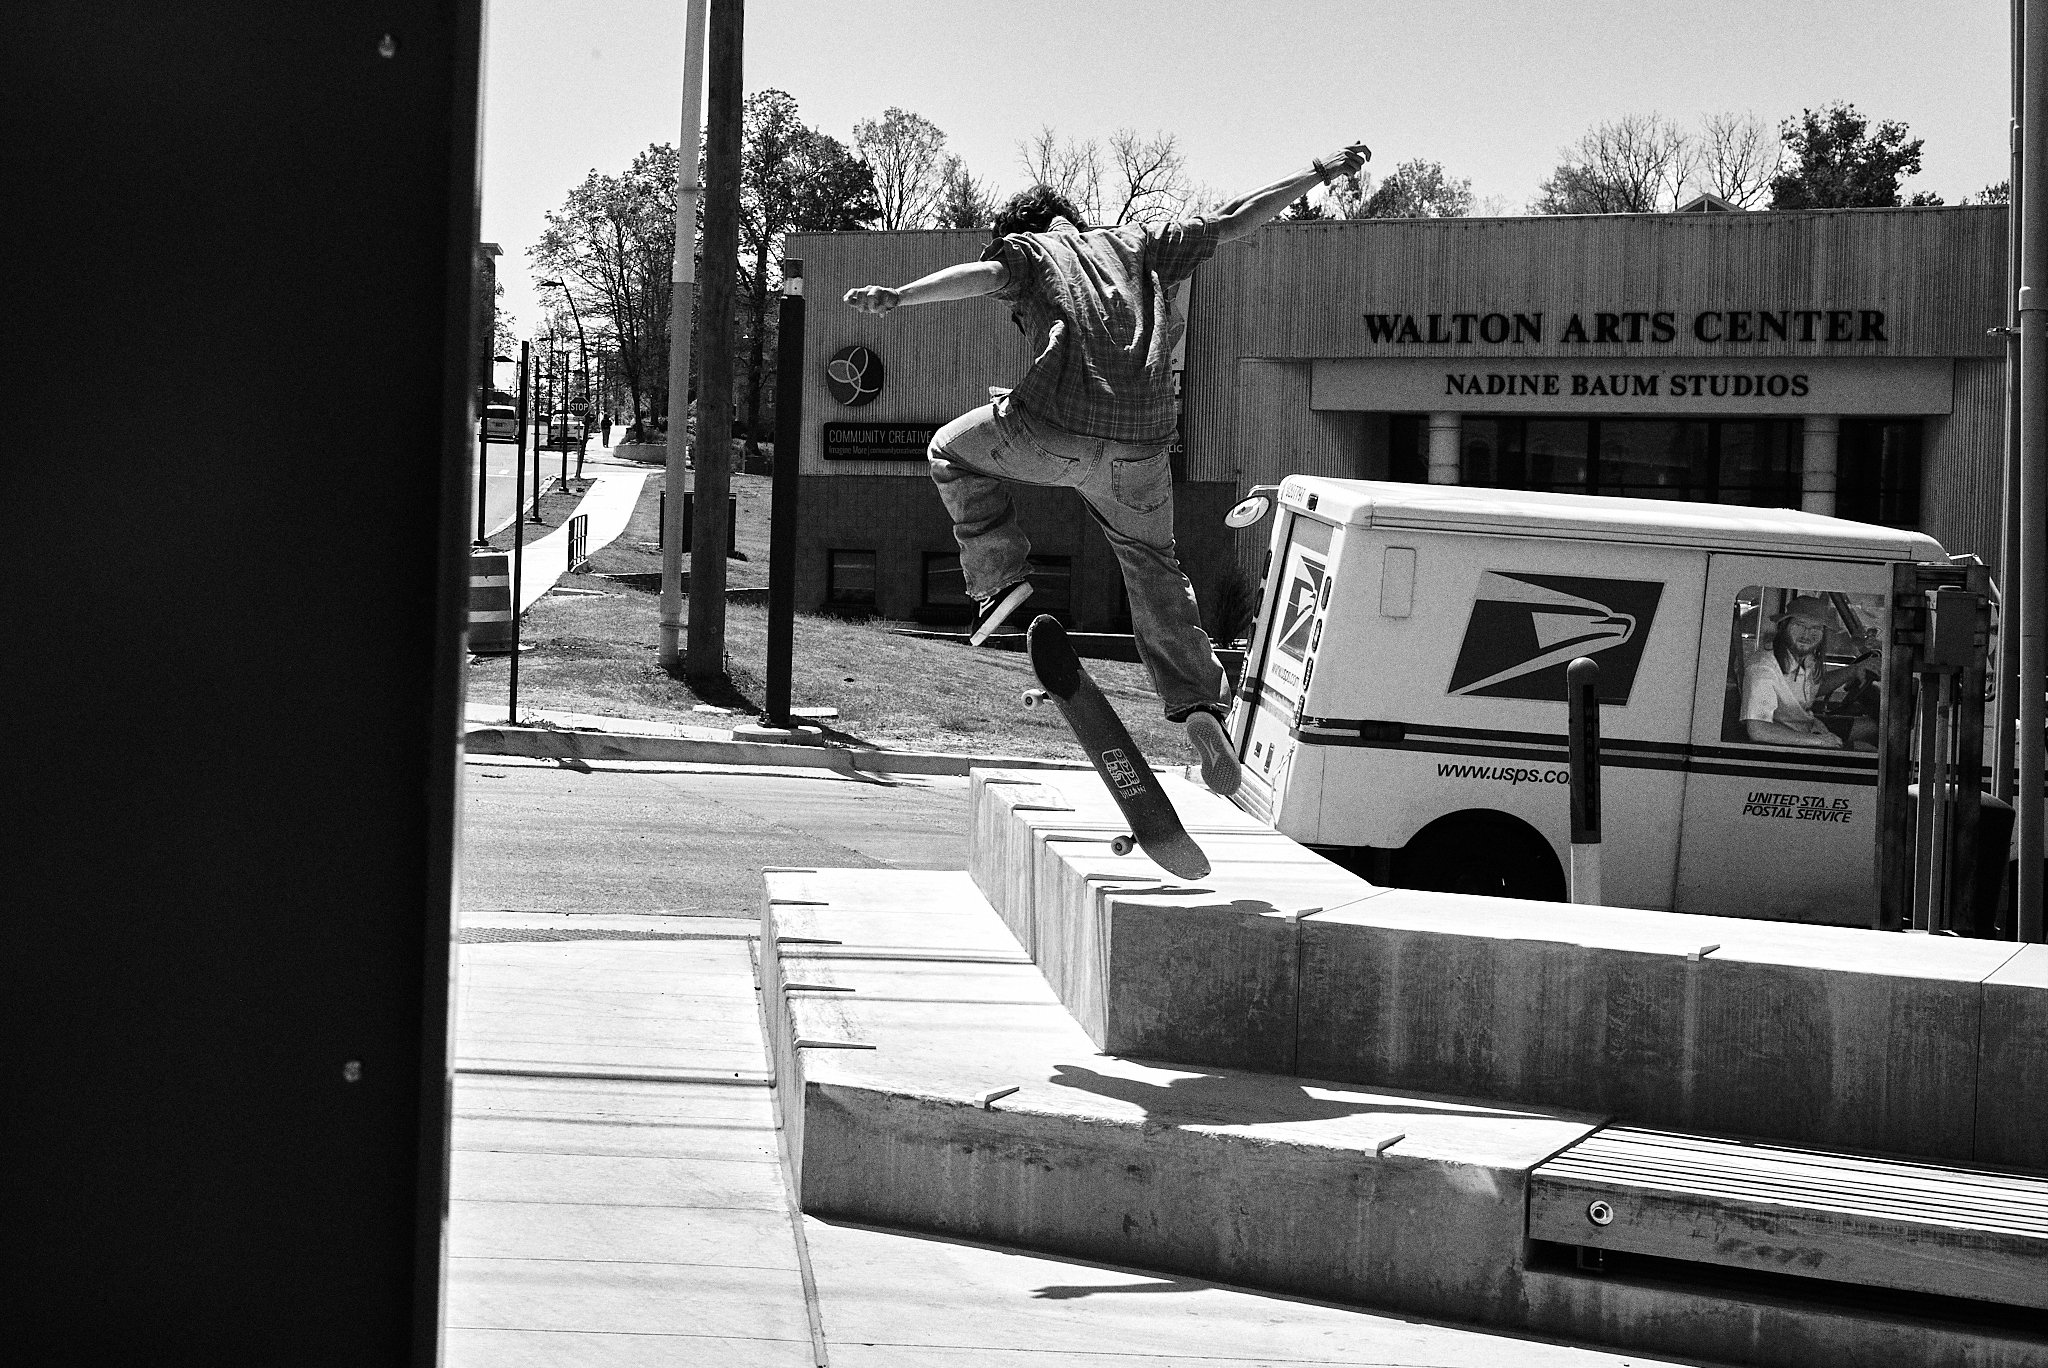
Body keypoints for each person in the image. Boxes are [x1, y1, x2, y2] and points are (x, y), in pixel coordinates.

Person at [843, 142, 1371, 796]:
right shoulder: (1142, 242)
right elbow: (1239, 217)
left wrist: (898, 297)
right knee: (1155, 567)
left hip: (1050, 429)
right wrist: (1320, 173)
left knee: (948, 450)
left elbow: (979, 278)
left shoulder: (1030, 251)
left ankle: (1000, 579)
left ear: (1021, 231)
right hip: (1140, 448)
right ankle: (1201, 708)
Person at [1739, 596, 1879, 749]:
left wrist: (1853, 670)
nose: (1807, 634)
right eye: (1799, 625)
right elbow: (1758, 730)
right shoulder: (1763, 669)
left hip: (1807, 726)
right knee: (1867, 750)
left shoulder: (1805, 658)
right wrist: (1819, 741)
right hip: (1784, 744)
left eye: (1816, 628)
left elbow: (1814, 687)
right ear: (1784, 625)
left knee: (1874, 727)